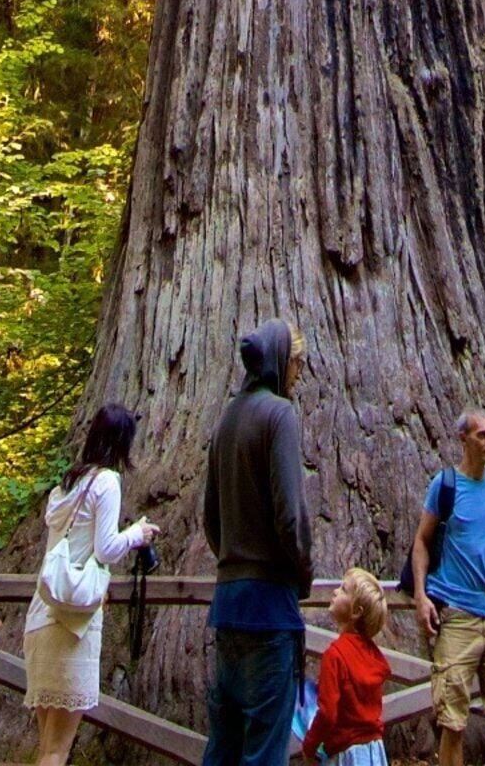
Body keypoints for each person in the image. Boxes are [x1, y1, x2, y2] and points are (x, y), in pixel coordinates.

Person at [203, 323, 317, 766]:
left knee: (224, 748)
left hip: (228, 606)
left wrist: (233, 563)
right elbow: (290, 515)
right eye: (297, 363)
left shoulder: (227, 418)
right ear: (280, 360)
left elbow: (210, 518)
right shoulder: (278, 415)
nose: (299, 374)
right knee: (266, 751)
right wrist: (301, 571)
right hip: (269, 609)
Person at [23, 404, 160, 766]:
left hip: (41, 617)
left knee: (47, 745)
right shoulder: (106, 482)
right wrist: (138, 533)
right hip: (73, 625)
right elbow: (106, 548)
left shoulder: (67, 484)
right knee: (57, 749)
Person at [405, 410, 485, 766]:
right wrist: (420, 595)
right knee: (453, 722)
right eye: (481, 435)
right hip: (457, 618)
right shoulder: (445, 486)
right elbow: (421, 541)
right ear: (463, 439)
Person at [303, 568, 394, 766]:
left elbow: (327, 713)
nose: (335, 591)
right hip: (373, 750)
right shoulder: (373, 654)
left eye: (343, 589)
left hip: (346, 752)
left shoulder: (335, 655)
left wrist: (310, 745)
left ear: (356, 612)